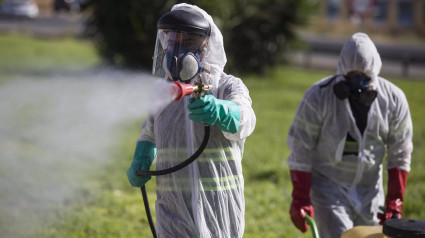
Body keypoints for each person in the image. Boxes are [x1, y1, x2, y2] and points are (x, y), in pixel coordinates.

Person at [126, 3, 256, 238]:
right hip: (172, 210)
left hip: (218, 209)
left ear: (206, 46)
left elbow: (246, 119)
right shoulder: (163, 92)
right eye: (171, 40)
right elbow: (150, 133)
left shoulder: (226, 86)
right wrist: (142, 156)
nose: (176, 50)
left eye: (187, 42)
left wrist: (222, 111)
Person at [286, 32, 412, 238]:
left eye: (364, 78)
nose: (358, 85)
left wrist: (394, 200)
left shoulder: (393, 100)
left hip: (371, 192)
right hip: (329, 190)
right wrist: (300, 198)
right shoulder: (318, 96)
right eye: (351, 76)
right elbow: (301, 149)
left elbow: (400, 152)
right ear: (341, 73)